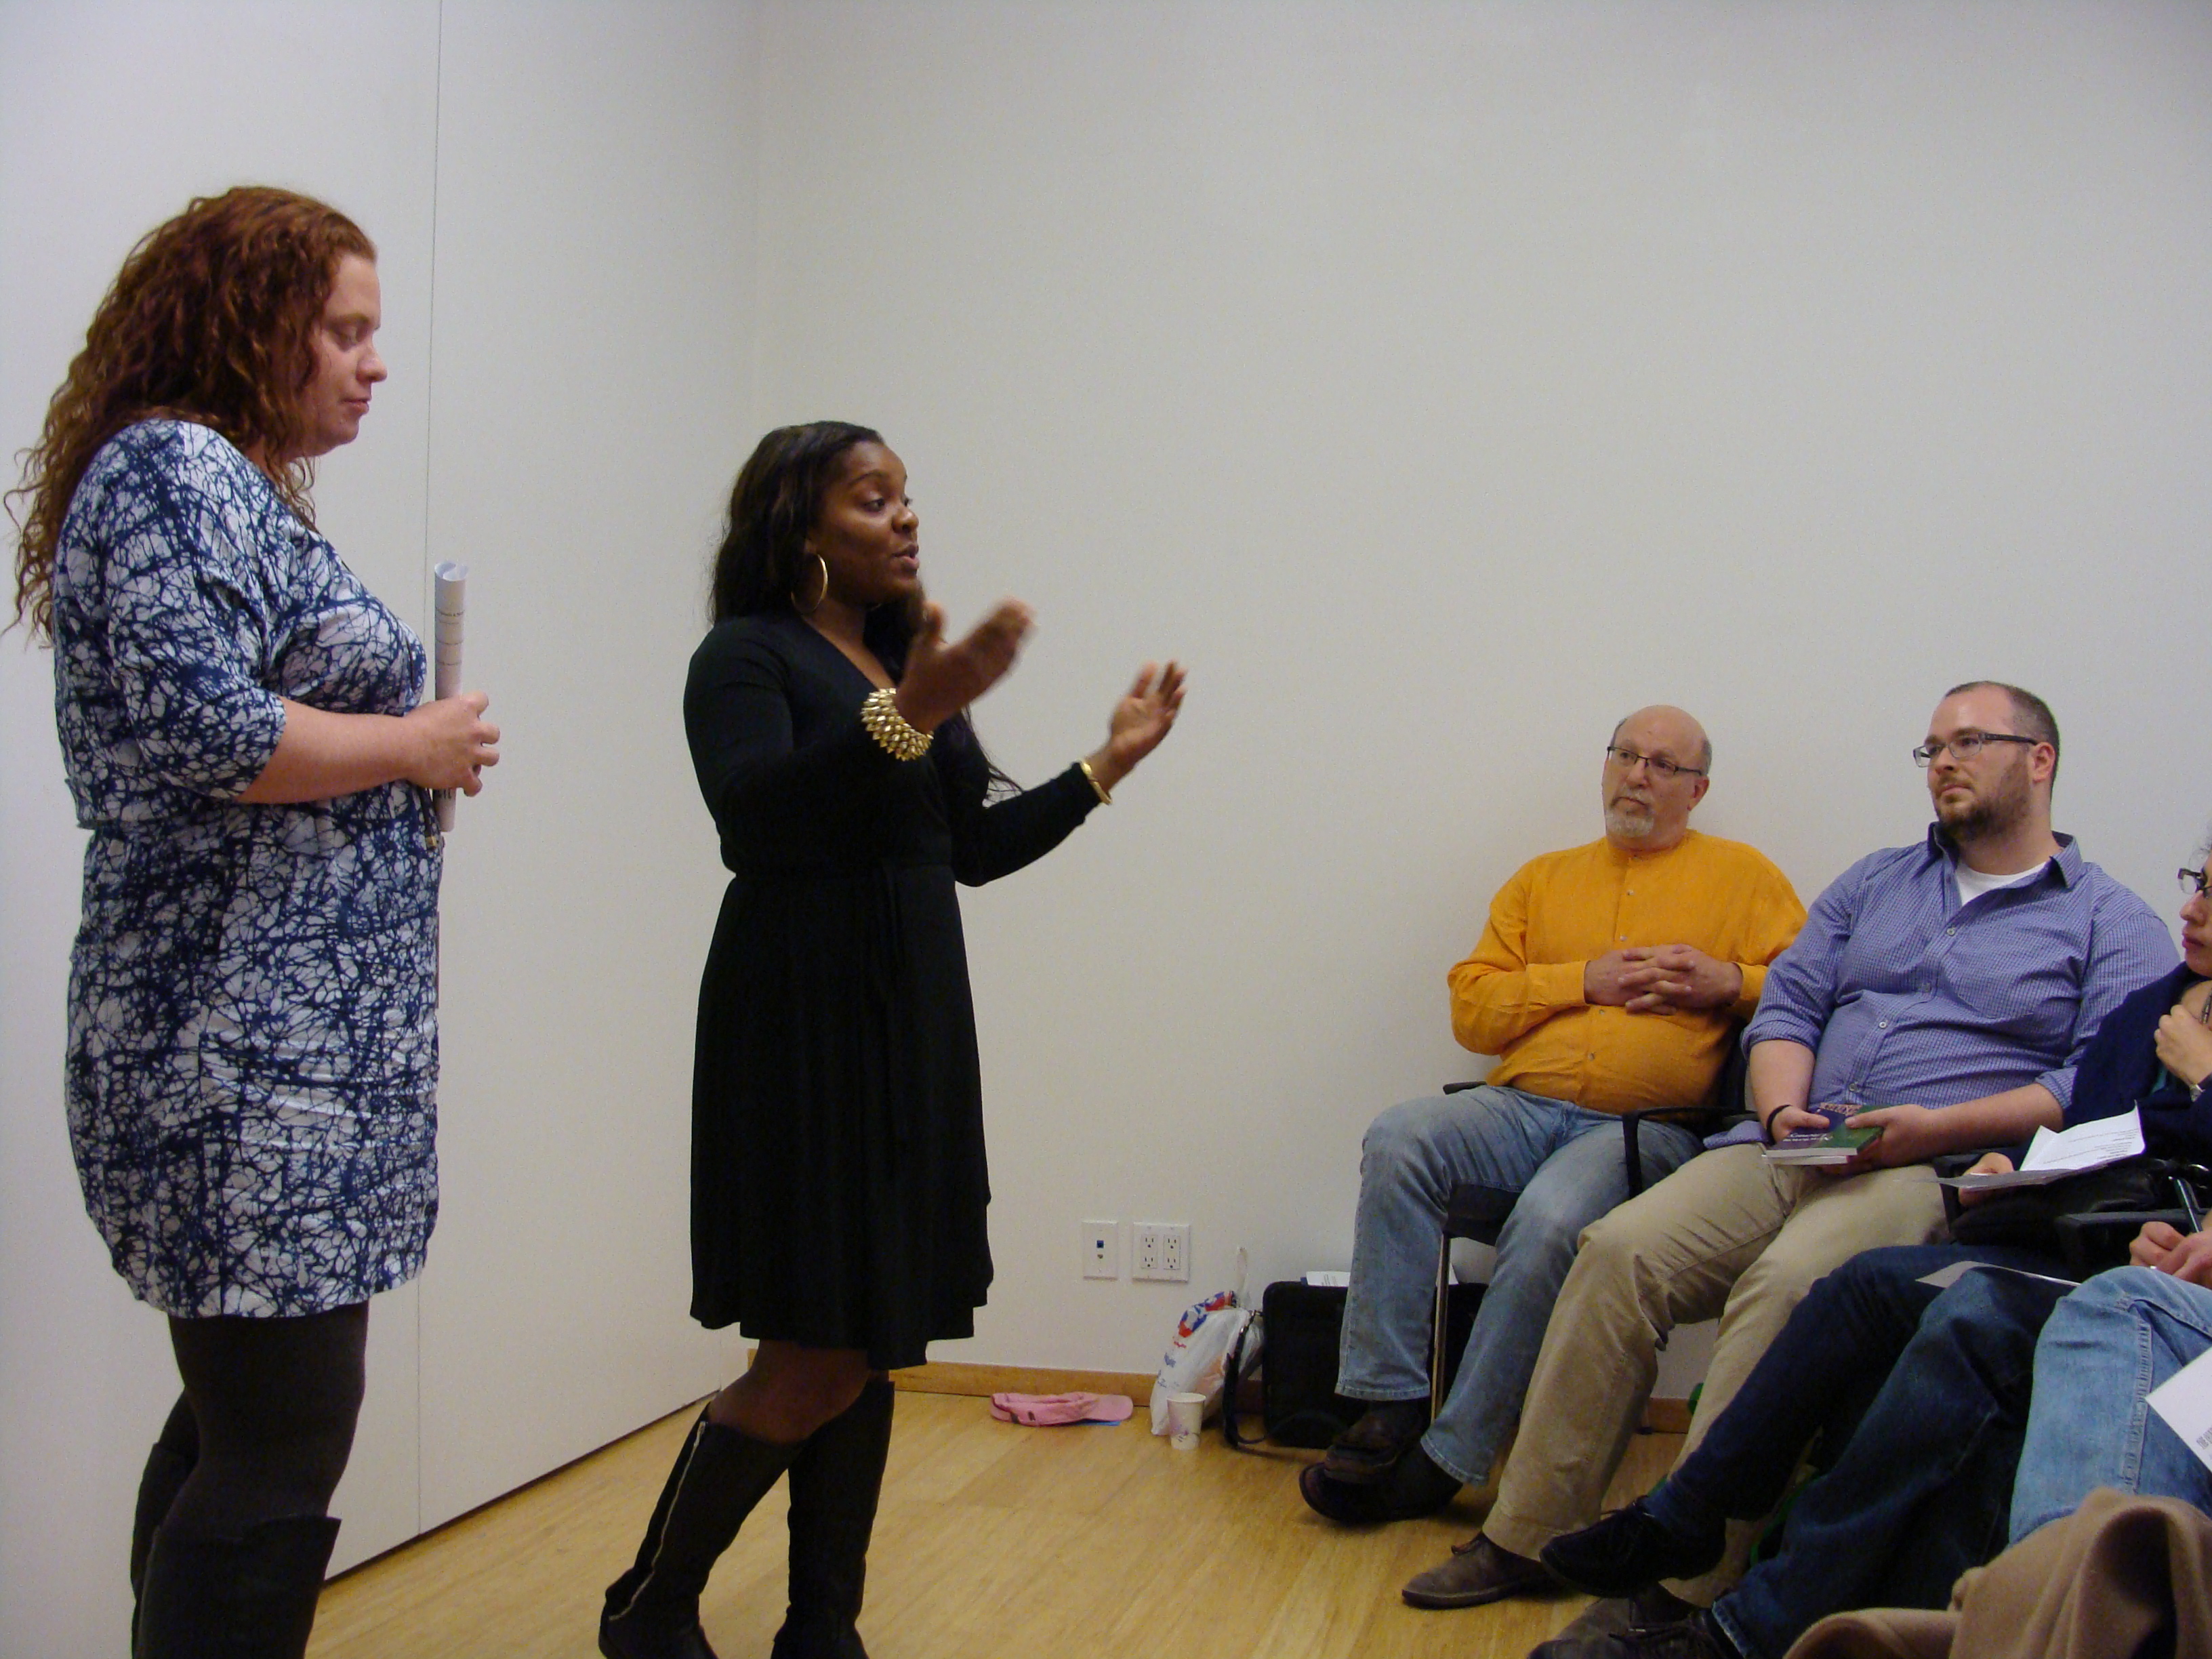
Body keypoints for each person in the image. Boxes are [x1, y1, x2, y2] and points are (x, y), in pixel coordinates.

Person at [598, 422, 1185, 1659]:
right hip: (799, 1021)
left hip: (909, 1017)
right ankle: (649, 1608)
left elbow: (965, 849)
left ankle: (823, 1628)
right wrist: (908, 709)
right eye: (873, 499)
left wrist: (1103, 767)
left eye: (907, 497)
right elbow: (757, 822)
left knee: (864, 1346)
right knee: (810, 1349)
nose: (906, 518)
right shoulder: (744, 656)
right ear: (798, 525)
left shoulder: (902, 661)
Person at [7, 187, 499, 1656]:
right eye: (342, 330)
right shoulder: (170, 468)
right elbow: (209, 729)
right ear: (247, 325)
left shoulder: (228, 481)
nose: (373, 361)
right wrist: (411, 745)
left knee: (242, 1426)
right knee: (281, 1440)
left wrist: (406, 756)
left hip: (287, 1053)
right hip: (234, 1050)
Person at [1404, 682, 2175, 1618]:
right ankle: (1528, 1535)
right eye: (1932, 747)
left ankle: (1683, 1588)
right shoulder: (1876, 882)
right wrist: (1778, 1113)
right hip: (1789, 1141)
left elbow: (2094, 1087)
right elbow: (1789, 1005)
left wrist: (1931, 1129)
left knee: (1787, 1283)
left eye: (1970, 742)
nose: (1944, 762)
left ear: (2040, 760)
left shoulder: (2110, 920)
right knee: (1617, 1250)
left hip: (1932, 1168)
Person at [1529, 847, 2212, 1659]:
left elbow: (2148, 1129)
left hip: (2129, 1271)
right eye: (2196, 884)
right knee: (1857, 1287)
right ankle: (1686, 1512)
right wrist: (2021, 1164)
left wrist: (2205, 1082)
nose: (2192, 908)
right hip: (2076, 1226)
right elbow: (2098, 1119)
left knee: (1951, 1312)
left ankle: (1739, 1631)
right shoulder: (2160, 1002)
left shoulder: (2113, 926)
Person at [1301, 708, 1805, 1536]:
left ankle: (1450, 1458)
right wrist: (1580, 981)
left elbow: (1811, 988)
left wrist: (1729, 982)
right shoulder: (1542, 880)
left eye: (1662, 764)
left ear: (1697, 790)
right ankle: (1389, 1406)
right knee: (1400, 1137)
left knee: (1551, 1218)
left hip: (1642, 1129)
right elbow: (1472, 1009)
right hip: (1519, 1107)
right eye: (1625, 755)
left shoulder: (1745, 878)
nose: (1637, 775)